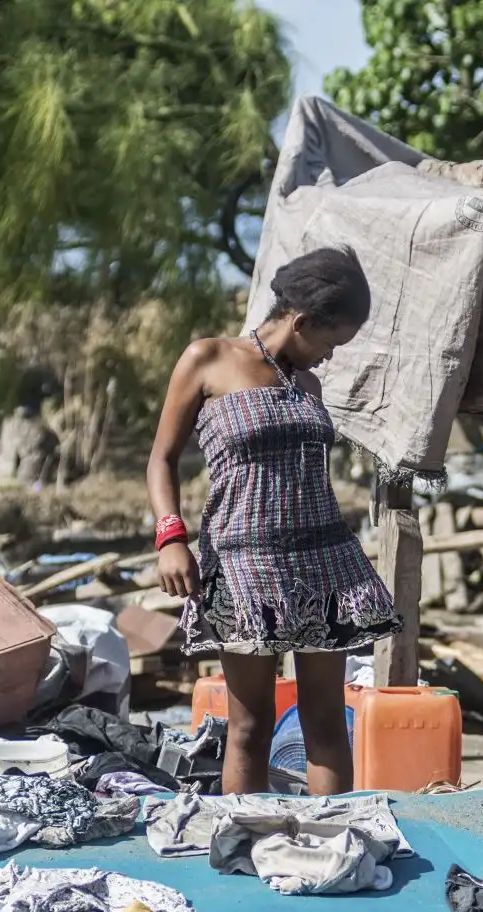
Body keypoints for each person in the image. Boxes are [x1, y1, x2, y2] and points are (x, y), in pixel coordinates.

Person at [147, 247, 400, 796]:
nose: (330, 357)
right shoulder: (208, 359)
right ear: (302, 321)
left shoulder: (306, 385)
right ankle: (247, 844)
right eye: (331, 342)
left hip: (325, 564)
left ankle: (335, 840)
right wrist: (171, 537)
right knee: (250, 724)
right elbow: (161, 458)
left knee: (327, 721)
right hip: (243, 567)